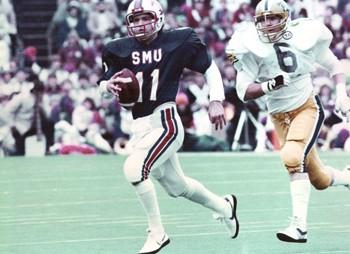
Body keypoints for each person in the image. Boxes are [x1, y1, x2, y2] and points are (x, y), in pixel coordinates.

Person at [98, 0, 239, 253]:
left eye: (146, 18)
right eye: (135, 20)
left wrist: (216, 100)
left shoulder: (179, 40)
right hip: (139, 125)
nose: (141, 24)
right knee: (177, 187)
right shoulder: (117, 49)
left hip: (166, 121)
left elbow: (210, 69)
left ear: (159, 17)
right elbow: (105, 89)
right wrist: (106, 87)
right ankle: (225, 207)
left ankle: (157, 233)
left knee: (133, 168)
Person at [226, 0, 350, 244]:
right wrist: (269, 85)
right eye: (262, 19)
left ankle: (299, 227)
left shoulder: (302, 36)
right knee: (319, 179)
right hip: (278, 116)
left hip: (306, 107)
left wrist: (340, 93)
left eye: (272, 18)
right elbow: (243, 91)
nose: (266, 23)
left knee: (292, 157)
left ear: (284, 17)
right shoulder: (251, 46)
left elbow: (334, 64)